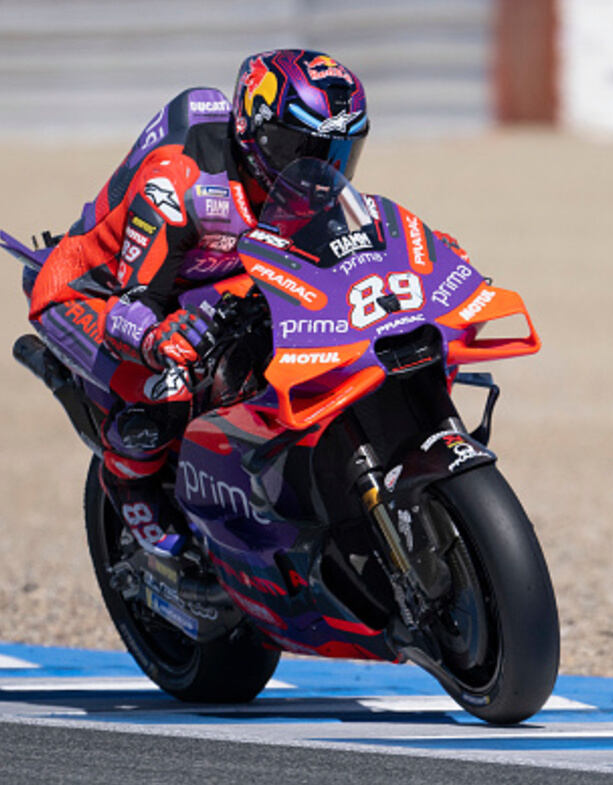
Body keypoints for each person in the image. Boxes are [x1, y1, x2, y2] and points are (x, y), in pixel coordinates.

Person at [27, 50, 369, 556]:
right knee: (164, 388)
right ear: (254, 132)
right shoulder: (178, 181)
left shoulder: (296, 187)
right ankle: (129, 485)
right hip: (93, 292)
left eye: (335, 155)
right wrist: (153, 336)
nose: (317, 171)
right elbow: (135, 302)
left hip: (201, 277)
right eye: (299, 148)